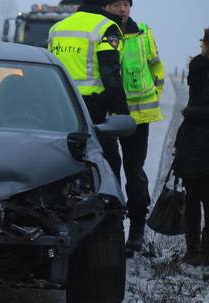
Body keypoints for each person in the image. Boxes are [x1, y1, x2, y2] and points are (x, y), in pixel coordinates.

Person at [103, 0, 165, 254]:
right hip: (107, 117)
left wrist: (154, 95)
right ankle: (112, 228)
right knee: (109, 172)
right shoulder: (102, 32)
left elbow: (156, 67)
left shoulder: (144, 33)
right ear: (106, 7)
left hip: (139, 117)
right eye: (116, 4)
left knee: (134, 172)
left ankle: (137, 230)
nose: (122, 9)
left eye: (126, 4)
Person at [48, 0, 130, 176]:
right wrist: (122, 114)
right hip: (92, 110)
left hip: (58, 106)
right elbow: (110, 74)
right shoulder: (107, 27)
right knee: (108, 163)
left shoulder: (57, 28)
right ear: (104, 5)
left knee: (63, 159)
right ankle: (108, 201)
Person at [173, 28, 209, 267]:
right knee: (192, 198)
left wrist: (190, 112)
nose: (202, 46)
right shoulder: (198, 68)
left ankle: (205, 253)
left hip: (203, 143)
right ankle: (192, 250)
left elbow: (195, 107)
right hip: (192, 142)